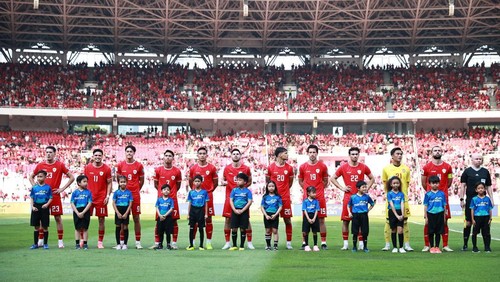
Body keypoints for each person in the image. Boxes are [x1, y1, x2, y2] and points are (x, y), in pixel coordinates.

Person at [30, 146, 75, 248]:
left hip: (54, 195)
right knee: (41, 219)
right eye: (47, 152)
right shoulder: (40, 165)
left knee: (58, 218)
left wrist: (62, 189)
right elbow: (31, 177)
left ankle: (60, 241)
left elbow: (72, 177)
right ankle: (40, 240)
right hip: (41, 197)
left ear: (55, 153)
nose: (48, 154)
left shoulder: (60, 165)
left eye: (50, 152)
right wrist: (36, 188)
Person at [330, 147, 374, 250]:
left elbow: (372, 178)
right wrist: (342, 188)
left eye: (356, 154)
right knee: (346, 221)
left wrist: (367, 188)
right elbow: (332, 178)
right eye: (352, 154)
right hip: (349, 197)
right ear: (349, 155)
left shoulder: (363, 167)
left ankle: (361, 243)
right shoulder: (344, 167)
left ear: (358, 155)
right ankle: (345, 244)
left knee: (360, 222)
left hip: (361, 198)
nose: (354, 156)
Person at [421, 146, 453, 252]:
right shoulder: (426, 167)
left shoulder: (448, 167)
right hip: (431, 199)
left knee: (444, 222)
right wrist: (431, 192)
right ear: (431, 152)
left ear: (442, 152)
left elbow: (449, 182)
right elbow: (424, 182)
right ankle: (427, 245)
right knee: (427, 222)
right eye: (435, 150)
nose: (437, 152)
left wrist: (441, 192)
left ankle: (445, 245)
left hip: (443, 198)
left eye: (439, 150)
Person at [381, 147, 413, 251]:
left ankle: (406, 244)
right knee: (388, 222)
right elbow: (385, 184)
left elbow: (406, 184)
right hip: (391, 200)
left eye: (401, 154)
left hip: (403, 199)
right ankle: (387, 244)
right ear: (392, 156)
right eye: (397, 154)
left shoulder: (406, 169)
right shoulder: (386, 169)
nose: (399, 155)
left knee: (404, 222)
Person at [460, 153, 494, 251]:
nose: (478, 160)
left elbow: (488, 186)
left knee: (485, 224)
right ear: (472, 160)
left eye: (480, 159)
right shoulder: (467, 172)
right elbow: (463, 186)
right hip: (470, 201)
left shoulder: (485, 172)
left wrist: (491, 198)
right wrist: (461, 198)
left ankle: (487, 245)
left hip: (483, 203)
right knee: (469, 223)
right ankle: (465, 244)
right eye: (476, 159)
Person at [298, 144, 329, 250]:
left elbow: (325, 181)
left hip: (319, 197)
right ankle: (304, 242)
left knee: (321, 220)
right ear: (307, 153)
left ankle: (323, 242)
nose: (312, 154)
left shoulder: (323, 166)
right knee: (305, 220)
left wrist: (318, 191)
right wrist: (308, 192)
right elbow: (300, 181)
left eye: (314, 152)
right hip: (307, 199)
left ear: (317, 153)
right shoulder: (302, 166)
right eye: (310, 152)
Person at [222, 148, 254, 250]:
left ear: (240, 156)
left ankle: (249, 242)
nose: (235, 155)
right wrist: (224, 183)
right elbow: (223, 180)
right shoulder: (227, 168)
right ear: (231, 156)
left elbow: (249, 181)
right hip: (229, 198)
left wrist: (242, 190)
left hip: (242, 199)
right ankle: (227, 243)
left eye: (237, 154)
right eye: (233, 154)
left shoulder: (246, 168)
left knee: (246, 220)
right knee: (227, 219)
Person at [189, 147, 218, 250]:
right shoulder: (193, 168)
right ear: (197, 155)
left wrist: (208, 192)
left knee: (208, 219)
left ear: (207, 155)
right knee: (195, 221)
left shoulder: (212, 168)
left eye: (204, 153)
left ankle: (208, 242)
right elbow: (190, 182)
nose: (202, 155)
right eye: (200, 153)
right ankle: (192, 243)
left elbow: (216, 183)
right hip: (196, 197)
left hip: (208, 196)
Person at [116, 145, 145, 249]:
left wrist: (136, 189)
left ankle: (138, 242)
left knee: (136, 218)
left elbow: (141, 181)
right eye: (127, 151)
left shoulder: (139, 166)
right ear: (125, 152)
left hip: (135, 195)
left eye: (131, 151)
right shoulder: (120, 165)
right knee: (123, 219)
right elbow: (118, 179)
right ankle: (122, 242)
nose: (129, 153)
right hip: (123, 196)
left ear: (134, 153)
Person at [152, 149, 182, 250]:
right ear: (163, 157)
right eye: (166, 155)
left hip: (172, 199)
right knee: (158, 220)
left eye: (170, 156)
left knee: (174, 221)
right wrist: (162, 194)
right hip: (161, 200)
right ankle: (157, 242)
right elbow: (156, 185)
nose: (168, 157)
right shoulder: (158, 170)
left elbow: (178, 185)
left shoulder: (177, 171)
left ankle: (173, 242)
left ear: (173, 158)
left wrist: (170, 194)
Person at [266, 147, 295, 250]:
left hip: (285, 198)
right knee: (270, 221)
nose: (287, 155)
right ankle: (269, 243)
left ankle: (288, 242)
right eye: (285, 153)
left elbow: (290, 183)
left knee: (287, 220)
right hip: (273, 199)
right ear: (279, 155)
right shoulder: (270, 168)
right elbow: (268, 182)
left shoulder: (290, 168)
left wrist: (284, 191)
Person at [83, 148, 112, 249]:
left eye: (99, 155)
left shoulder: (107, 169)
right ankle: (83, 239)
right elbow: (84, 182)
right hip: (89, 198)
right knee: (85, 219)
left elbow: (109, 183)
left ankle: (100, 241)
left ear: (102, 157)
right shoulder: (87, 168)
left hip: (101, 198)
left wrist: (107, 195)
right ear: (93, 156)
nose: (98, 157)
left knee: (101, 220)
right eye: (96, 155)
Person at [347, 181, 375, 253]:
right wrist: (349, 212)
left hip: (364, 215)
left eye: (365, 187)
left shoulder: (367, 197)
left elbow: (372, 203)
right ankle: (354, 247)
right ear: (358, 188)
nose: (365, 188)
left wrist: (368, 210)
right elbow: (348, 205)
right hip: (355, 215)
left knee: (365, 232)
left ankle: (365, 247)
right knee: (355, 232)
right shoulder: (353, 197)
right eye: (363, 187)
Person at [229, 173, 253, 251]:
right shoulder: (234, 190)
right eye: (237, 180)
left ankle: (242, 245)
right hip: (235, 210)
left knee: (243, 228)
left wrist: (243, 210)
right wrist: (234, 210)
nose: (238, 182)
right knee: (234, 228)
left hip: (244, 211)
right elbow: (231, 200)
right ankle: (234, 245)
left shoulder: (248, 191)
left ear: (245, 182)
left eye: (240, 180)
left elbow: (249, 201)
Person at [423, 176, 447, 254]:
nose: (435, 185)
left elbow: (444, 205)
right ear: (429, 184)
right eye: (433, 183)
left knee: (438, 231)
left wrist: (444, 216)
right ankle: (432, 247)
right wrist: (425, 216)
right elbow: (426, 205)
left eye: (436, 183)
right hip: (431, 214)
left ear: (439, 184)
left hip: (440, 213)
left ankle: (437, 247)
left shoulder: (442, 194)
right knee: (431, 231)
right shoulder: (428, 194)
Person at [29, 170, 53, 249]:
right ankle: (35, 244)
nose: (39, 178)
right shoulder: (34, 187)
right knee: (36, 226)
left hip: (44, 207)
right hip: (36, 207)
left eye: (41, 176)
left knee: (45, 226)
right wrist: (32, 206)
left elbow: (50, 198)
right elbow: (32, 197)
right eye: (38, 176)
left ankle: (45, 244)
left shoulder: (48, 187)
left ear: (45, 177)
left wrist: (47, 204)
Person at [186, 175, 209, 251]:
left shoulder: (204, 192)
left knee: (201, 228)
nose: (197, 183)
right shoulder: (191, 192)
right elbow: (189, 203)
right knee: (191, 228)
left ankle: (201, 245)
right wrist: (188, 214)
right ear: (193, 182)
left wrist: (206, 214)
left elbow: (206, 203)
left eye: (198, 181)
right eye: (195, 181)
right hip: (193, 210)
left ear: (201, 182)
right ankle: (191, 245)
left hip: (200, 210)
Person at [470, 182, 493, 253]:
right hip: (477, 217)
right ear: (476, 190)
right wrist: (472, 219)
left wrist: (490, 218)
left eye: (482, 188)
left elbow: (490, 209)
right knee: (474, 233)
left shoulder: (487, 199)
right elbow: (472, 209)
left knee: (487, 233)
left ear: (484, 189)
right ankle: (474, 247)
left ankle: (487, 247)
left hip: (486, 217)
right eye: (479, 188)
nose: (480, 189)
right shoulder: (474, 199)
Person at [70, 175, 92, 250]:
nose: (86, 183)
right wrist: (77, 212)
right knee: (77, 228)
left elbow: (89, 203)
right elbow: (72, 203)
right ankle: (77, 244)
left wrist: (83, 212)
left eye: (87, 181)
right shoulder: (75, 193)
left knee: (85, 228)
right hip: (77, 211)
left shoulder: (88, 192)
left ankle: (85, 244)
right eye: (84, 181)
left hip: (85, 211)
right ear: (79, 183)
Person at [112, 175, 133, 250]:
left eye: (124, 182)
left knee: (125, 227)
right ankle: (118, 244)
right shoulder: (116, 192)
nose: (123, 183)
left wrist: (127, 213)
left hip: (126, 210)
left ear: (126, 182)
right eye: (121, 182)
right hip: (118, 210)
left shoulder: (129, 193)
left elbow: (130, 203)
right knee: (118, 226)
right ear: (119, 183)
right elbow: (113, 203)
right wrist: (117, 212)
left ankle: (125, 244)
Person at [261, 181, 282, 251]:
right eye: (269, 186)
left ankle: (275, 245)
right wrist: (266, 215)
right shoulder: (265, 197)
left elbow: (280, 207)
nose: (271, 188)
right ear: (267, 187)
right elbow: (262, 207)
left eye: (272, 186)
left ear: (275, 187)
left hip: (275, 215)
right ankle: (268, 245)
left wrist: (276, 215)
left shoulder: (278, 197)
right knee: (267, 230)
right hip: (267, 215)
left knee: (275, 230)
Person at [386, 176, 406, 253]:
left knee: (400, 230)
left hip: (400, 212)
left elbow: (402, 203)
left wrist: (402, 214)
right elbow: (391, 204)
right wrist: (397, 215)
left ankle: (401, 247)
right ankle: (394, 247)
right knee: (393, 230)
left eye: (397, 183)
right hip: (392, 212)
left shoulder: (401, 194)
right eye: (394, 183)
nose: (396, 185)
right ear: (391, 184)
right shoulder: (389, 194)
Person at [155, 184, 175, 250]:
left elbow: (171, 209)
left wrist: (165, 215)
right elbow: (157, 207)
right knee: (160, 232)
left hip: (168, 218)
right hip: (160, 218)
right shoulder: (159, 200)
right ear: (161, 191)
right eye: (164, 189)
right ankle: (160, 244)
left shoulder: (171, 200)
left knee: (168, 232)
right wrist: (160, 215)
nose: (166, 191)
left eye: (168, 190)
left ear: (169, 191)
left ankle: (168, 244)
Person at [302, 186, 320, 252]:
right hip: (307, 217)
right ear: (308, 193)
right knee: (306, 232)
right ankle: (306, 245)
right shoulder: (305, 201)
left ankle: (315, 245)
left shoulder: (316, 201)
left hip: (314, 217)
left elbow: (317, 210)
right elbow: (304, 210)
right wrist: (308, 219)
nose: (315, 194)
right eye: (313, 193)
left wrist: (314, 218)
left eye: (315, 193)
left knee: (314, 232)